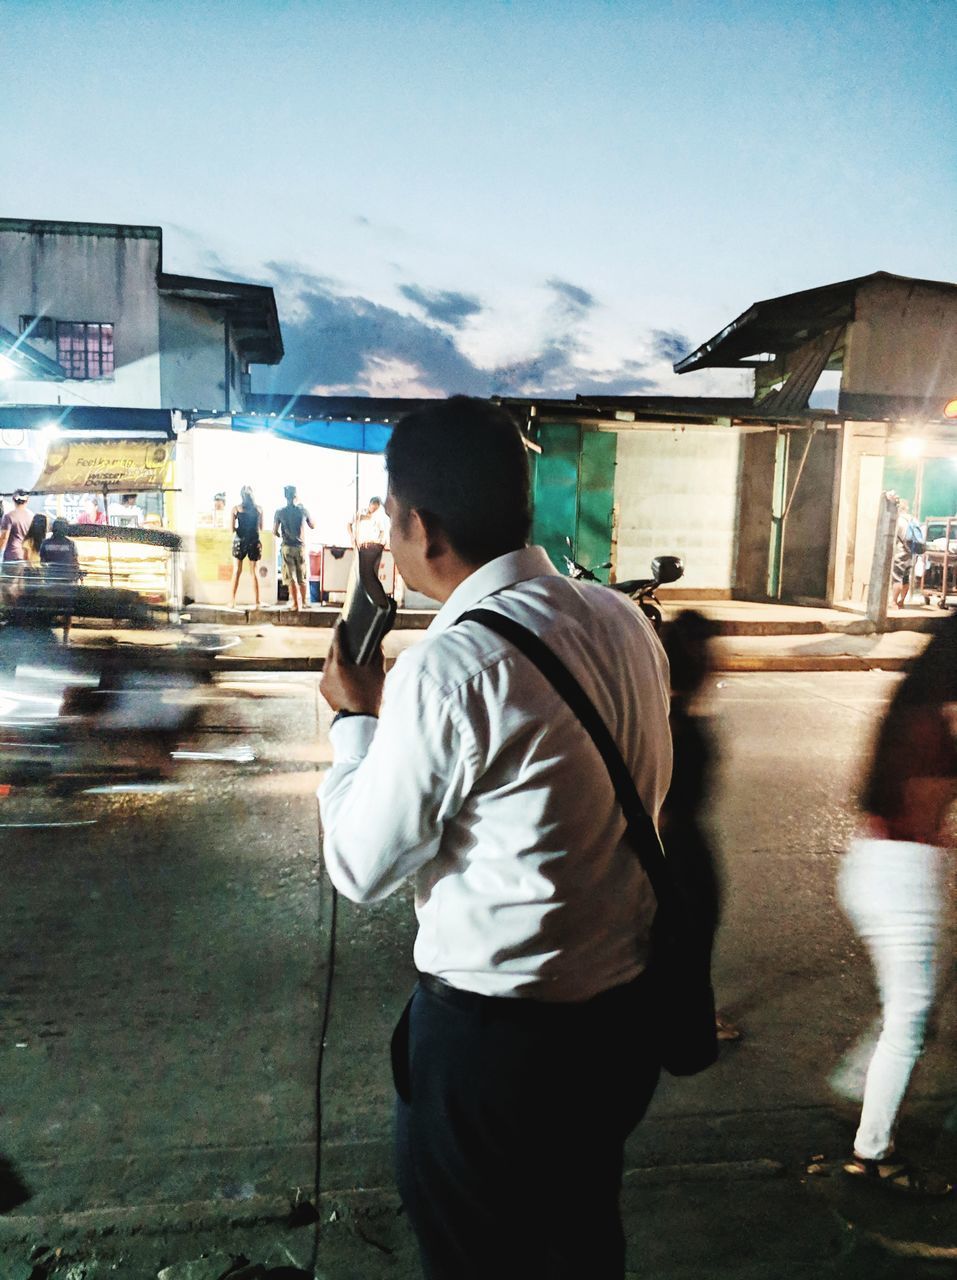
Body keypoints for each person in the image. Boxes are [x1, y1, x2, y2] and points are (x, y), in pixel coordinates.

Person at [318, 396, 672, 1280]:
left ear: (423, 529)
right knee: (583, 1245)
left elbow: (359, 864)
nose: (389, 543)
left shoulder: (452, 666)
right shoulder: (623, 622)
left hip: (496, 1059)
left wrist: (354, 721)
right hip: (616, 1029)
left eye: (390, 522)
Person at [837, 612, 957, 1196]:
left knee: (913, 1008)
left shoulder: (908, 709)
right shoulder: (933, 727)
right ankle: (872, 1154)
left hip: (873, 864)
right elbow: (924, 814)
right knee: (909, 1022)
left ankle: (858, 1085)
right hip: (903, 877)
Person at [661, 610, 740, 1043]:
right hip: (678, 849)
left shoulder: (666, 714)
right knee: (689, 939)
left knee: (685, 940)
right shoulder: (679, 725)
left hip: (677, 844)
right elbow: (665, 806)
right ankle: (691, 1022)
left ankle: (689, 1014)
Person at [273, 484, 314, 612]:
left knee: (291, 577)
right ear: (295, 495)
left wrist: (281, 535)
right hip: (300, 547)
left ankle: (296, 604)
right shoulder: (302, 510)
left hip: (287, 547)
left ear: (285, 496)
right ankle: (305, 602)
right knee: (302, 576)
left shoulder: (279, 512)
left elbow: (274, 531)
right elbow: (312, 525)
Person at [40, 518, 81, 642]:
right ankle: (65, 637)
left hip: (50, 582)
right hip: (67, 582)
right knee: (67, 611)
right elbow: (75, 562)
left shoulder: (45, 543)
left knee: (48, 608)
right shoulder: (71, 544)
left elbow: (42, 562)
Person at [230, 485, 263, 608]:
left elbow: (231, 529)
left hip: (239, 540)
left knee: (236, 571)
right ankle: (257, 602)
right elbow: (261, 528)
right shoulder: (259, 509)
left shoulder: (236, 509)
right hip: (254, 541)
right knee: (254, 572)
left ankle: (232, 601)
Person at [0, 490, 36, 603]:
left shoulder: (8, 516)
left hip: (12, 556)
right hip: (26, 557)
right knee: (21, 587)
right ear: (27, 500)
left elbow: (4, 537)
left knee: (7, 587)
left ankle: (10, 613)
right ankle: (19, 614)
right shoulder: (32, 516)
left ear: (13, 500)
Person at [891, 498, 921, 610]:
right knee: (906, 578)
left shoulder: (898, 520)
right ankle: (901, 602)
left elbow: (893, 538)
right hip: (913, 553)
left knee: (897, 578)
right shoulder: (914, 520)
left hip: (901, 553)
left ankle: (893, 602)